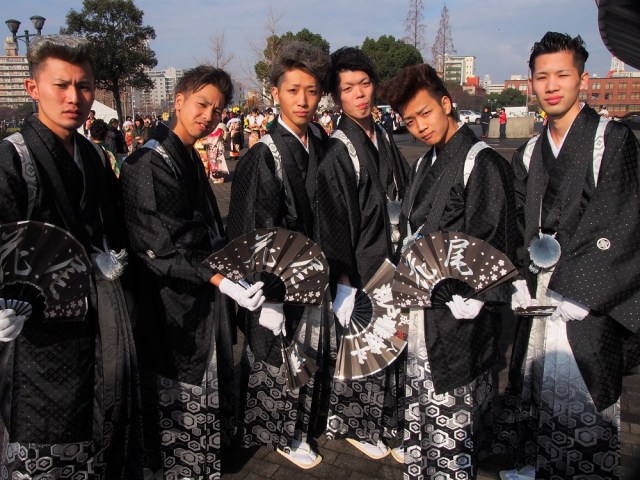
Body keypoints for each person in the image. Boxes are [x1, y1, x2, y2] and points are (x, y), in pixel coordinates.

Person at [494, 32, 640, 480]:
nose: (552, 85)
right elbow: (518, 222)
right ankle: (537, 462)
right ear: (532, 84)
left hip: (589, 292)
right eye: (542, 77)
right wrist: (516, 277)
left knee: (581, 382)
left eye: (562, 74)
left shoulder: (611, 140)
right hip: (539, 283)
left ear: (583, 79)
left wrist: (585, 291)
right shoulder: (530, 152)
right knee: (535, 375)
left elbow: (624, 218)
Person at [0, 34, 142, 479]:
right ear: (33, 88)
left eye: (84, 86)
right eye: (61, 85)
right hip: (35, 332)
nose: (74, 98)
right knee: (41, 433)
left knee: (97, 422)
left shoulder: (95, 156)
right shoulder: (12, 158)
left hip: (95, 319)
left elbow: (114, 229)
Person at [120, 65, 265, 479]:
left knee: (205, 381)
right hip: (169, 301)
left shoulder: (185, 154)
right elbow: (159, 249)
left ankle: (200, 458)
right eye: (202, 104)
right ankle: (176, 464)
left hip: (200, 289)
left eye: (218, 110)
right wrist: (222, 279)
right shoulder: (147, 163)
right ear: (179, 100)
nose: (209, 116)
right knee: (176, 389)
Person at [378, 63, 518, 479]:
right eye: (409, 121)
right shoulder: (424, 164)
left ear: (445, 103)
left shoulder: (482, 163)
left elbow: (494, 242)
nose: (420, 127)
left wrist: (478, 296)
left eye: (425, 113)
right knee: (422, 414)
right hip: (423, 314)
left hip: (460, 318)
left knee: (453, 421)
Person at [226, 40, 332, 470]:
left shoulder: (319, 140)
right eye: (293, 90)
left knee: (306, 351)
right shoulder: (263, 154)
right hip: (277, 280)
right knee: (276, 352)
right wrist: (265, 292)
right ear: (275, 92)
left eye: (311, 90)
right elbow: (255, 230)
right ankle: (280, 433)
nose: (303, 100)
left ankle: (300, 424)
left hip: (312, 272)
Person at [316, 46, 409, 460]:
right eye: (348, 88)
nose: (359, 94)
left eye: (365, 84)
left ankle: (387, 421)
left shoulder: (382, 133)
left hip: (390, 255)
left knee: (390, 344)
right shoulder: (338, 148)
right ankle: (355, 425)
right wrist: (342, 279)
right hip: (361, 262)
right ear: (337, 96)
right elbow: (334, 218)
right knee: (362, 346)